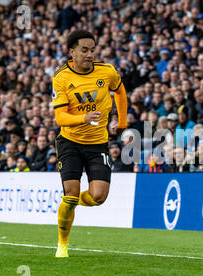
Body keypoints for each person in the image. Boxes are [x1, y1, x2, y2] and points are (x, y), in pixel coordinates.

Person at [52, 30, 128, 258]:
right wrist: (82, 118)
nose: (89, 54)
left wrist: (122, 121)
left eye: (92, 50)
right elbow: (60, 118)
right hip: (70, 142)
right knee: (72, 193)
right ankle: (62, 244)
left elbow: (120, 91)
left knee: (99, 197)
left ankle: (70, 203)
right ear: (71, 52)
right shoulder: (61, 77)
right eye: (84, 50)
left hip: (98, 144)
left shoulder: (107, 72)